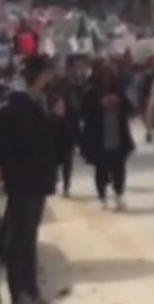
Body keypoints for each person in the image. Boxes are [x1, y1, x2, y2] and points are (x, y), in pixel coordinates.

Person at [0, 54, 57, 304]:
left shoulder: (41, 102)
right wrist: (4, 167)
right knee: (18, 239)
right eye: (47, 72)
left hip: (37, 180)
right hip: (23, 180)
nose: (51, 77)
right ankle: (20, 295)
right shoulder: (17, 105)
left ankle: (32, 291)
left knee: (29, 238)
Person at [79, 62, 135, 210]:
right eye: (103, 76)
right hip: (98, 137)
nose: (106, 79)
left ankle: (118, 194)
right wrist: (100, 105)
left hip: (117, 135)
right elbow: (83, 112)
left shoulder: (119, 92)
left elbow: (131, 110)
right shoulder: (91, 92)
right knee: (101, 168)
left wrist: (119, 103)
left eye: (109, 76)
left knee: (119, 168)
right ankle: (102, 195)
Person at [48, 66, 80, 197]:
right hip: (54, 133)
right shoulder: (48, 98)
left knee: (67, 161)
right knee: (54, 161)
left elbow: (75, 114)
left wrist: (75, 133)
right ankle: (55, 182)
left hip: (66, 133)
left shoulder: (69, 98)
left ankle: (66, 185)